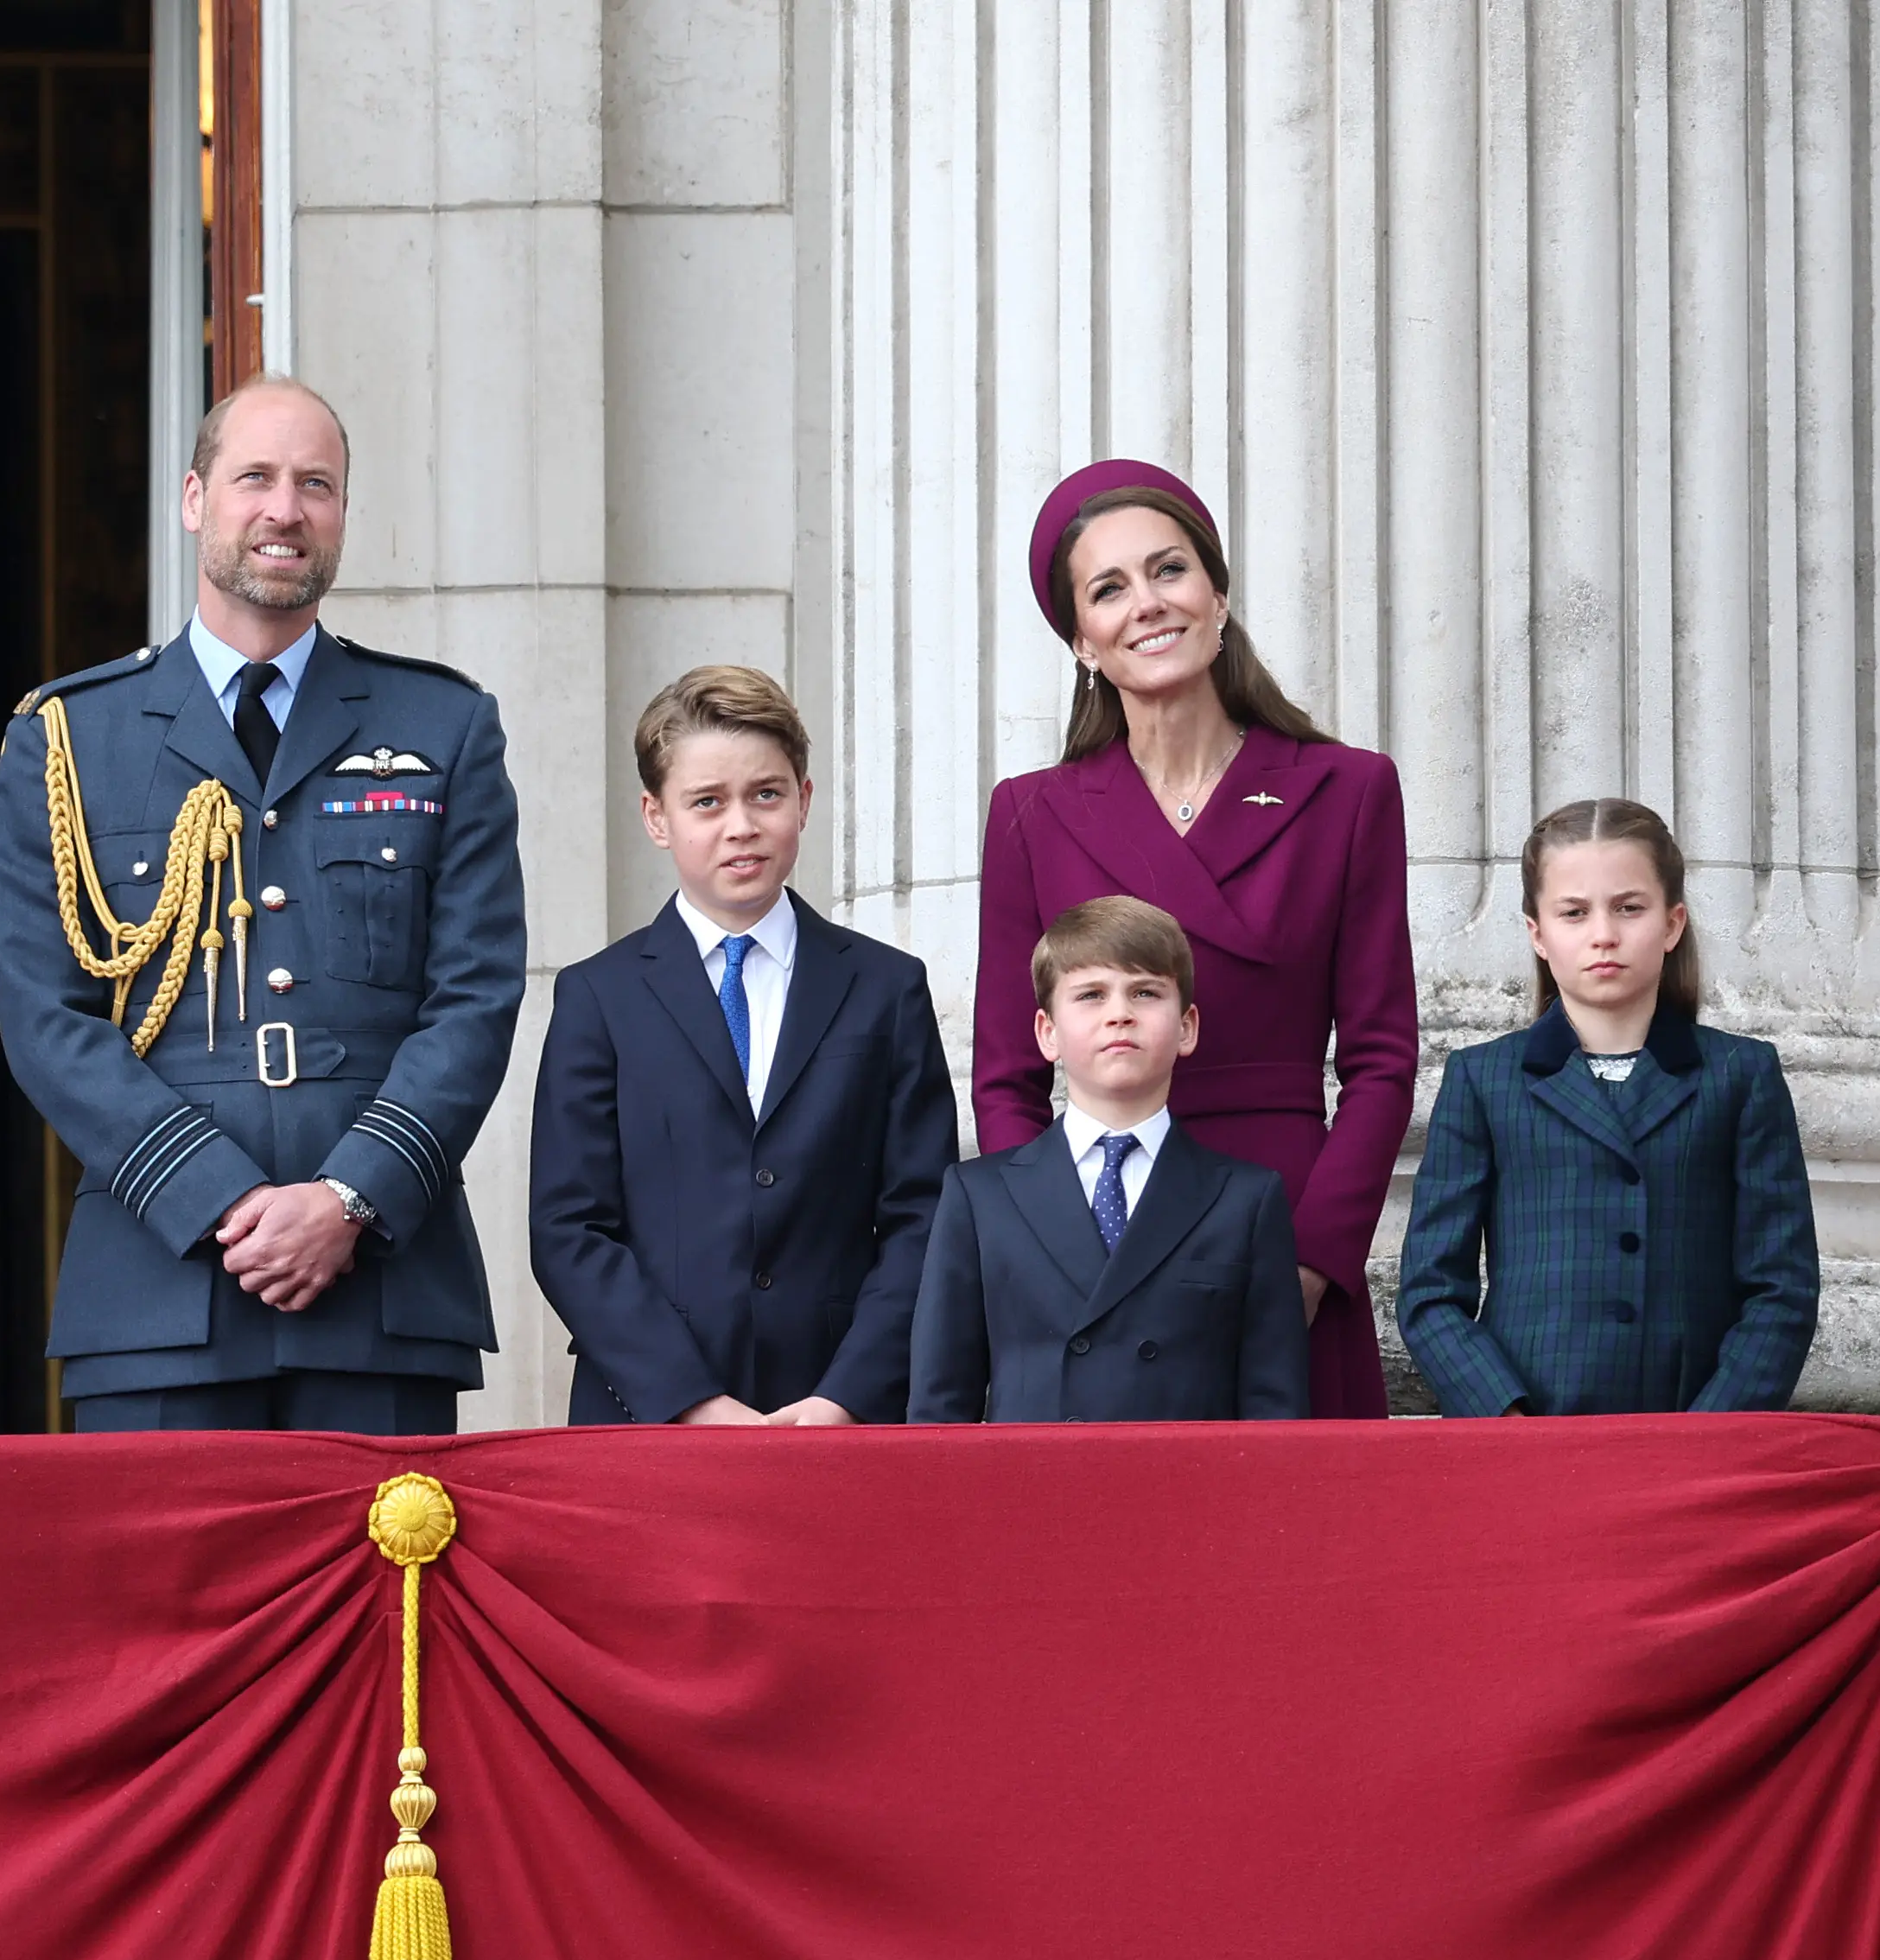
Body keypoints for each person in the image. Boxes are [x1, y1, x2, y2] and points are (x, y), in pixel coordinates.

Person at [0, 372, 525, 1434]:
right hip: (155, 1294)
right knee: (165, 1608)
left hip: (378, 1292)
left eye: (316, 484)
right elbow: (45, 1020)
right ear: (195, 500)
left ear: (341, 517)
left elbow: (475, 1000)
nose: (286, 509)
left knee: (386, 1608)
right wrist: (222, 1200)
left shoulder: (445, 725)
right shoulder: (67, 740)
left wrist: (349, 1199)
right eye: (256, 479)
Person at [972, 458, 1416, 1418]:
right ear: (1082, 640)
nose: (1147, 604)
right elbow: (1007, 1076)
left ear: (1218, 595)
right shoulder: (1029, 814)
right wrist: (1045, 1247)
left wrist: (1308, 1262)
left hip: (1278, 1226)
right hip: (1099, 1247)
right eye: (1108, 588)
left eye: (1169, 570)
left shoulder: (1348, 791)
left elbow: (1382, 1060)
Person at [530, 665, 957, 1425]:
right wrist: (691, 1402)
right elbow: (570, 1229)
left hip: (835, 1412)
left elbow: (922, 1215)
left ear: (805, 798)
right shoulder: (600, 996)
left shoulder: (888, 989)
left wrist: (846, 1395)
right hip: (647, 1416)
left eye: (766, 793)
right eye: (706, 802)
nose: (741, 825)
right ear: (656, 817)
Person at [1397, 798, 1819, 1415]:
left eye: (1629, 907)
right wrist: (1504, 1418)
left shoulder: (1740, 1075)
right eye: (1574, 913)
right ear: (1538, 934)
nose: (1604, 934)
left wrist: (1711, 1431)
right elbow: (1431, 1289)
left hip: (1693, 1436)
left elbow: (1783, 1286)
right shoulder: (1483, 1079)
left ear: (1672, 923)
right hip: (1532, 1436)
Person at [909, 897, 1310, 1423]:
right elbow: (940, 1408)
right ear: (1047, 1033)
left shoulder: (1245, 1199)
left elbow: (1275, 1411)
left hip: (1193, 1497)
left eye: (1145, 992)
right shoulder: (980, 1196)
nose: (1120, 1013)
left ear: (1187, 1027)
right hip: (1031, 1497)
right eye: (1091, 995)